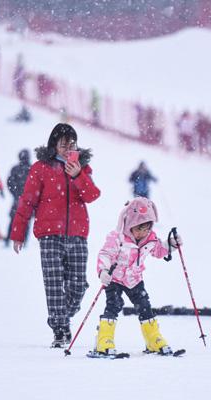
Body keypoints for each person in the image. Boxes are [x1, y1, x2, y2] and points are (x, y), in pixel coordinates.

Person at [10, 123, 101, 347]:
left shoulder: (82, 167)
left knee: (77, 286)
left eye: (71, 144)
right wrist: (18, 232)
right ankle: (60, 330)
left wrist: (78, 175)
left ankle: (61, 318)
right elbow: (27, 201)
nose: (67, 148)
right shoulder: (41, 168)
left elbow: (92, 195)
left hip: (78, 234)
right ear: (54, 144)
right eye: (63, 144)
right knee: (53, 284)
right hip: (49, 234)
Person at [92, 197, 182, 357]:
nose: (143, 233)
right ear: (129, 225)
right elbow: (105, 254)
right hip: (115, 279)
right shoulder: (117, 238)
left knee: (144, 306)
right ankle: (104, 340)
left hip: (135, 280)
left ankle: (153, 339)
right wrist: (103, 271)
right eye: (139, 229)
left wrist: (171, 245)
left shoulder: (150, 239)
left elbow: (159, 251)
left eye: (146, 229)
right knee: (114, 306)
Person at [4, 149, 31, 248]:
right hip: (26, 201)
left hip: (20, 200)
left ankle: (8, 240)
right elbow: (10, 183)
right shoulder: (31, 169)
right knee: (25, 222)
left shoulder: (16, 168)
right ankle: (24, 242)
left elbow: (10, 183)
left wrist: (16, 194)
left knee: (13, 221)